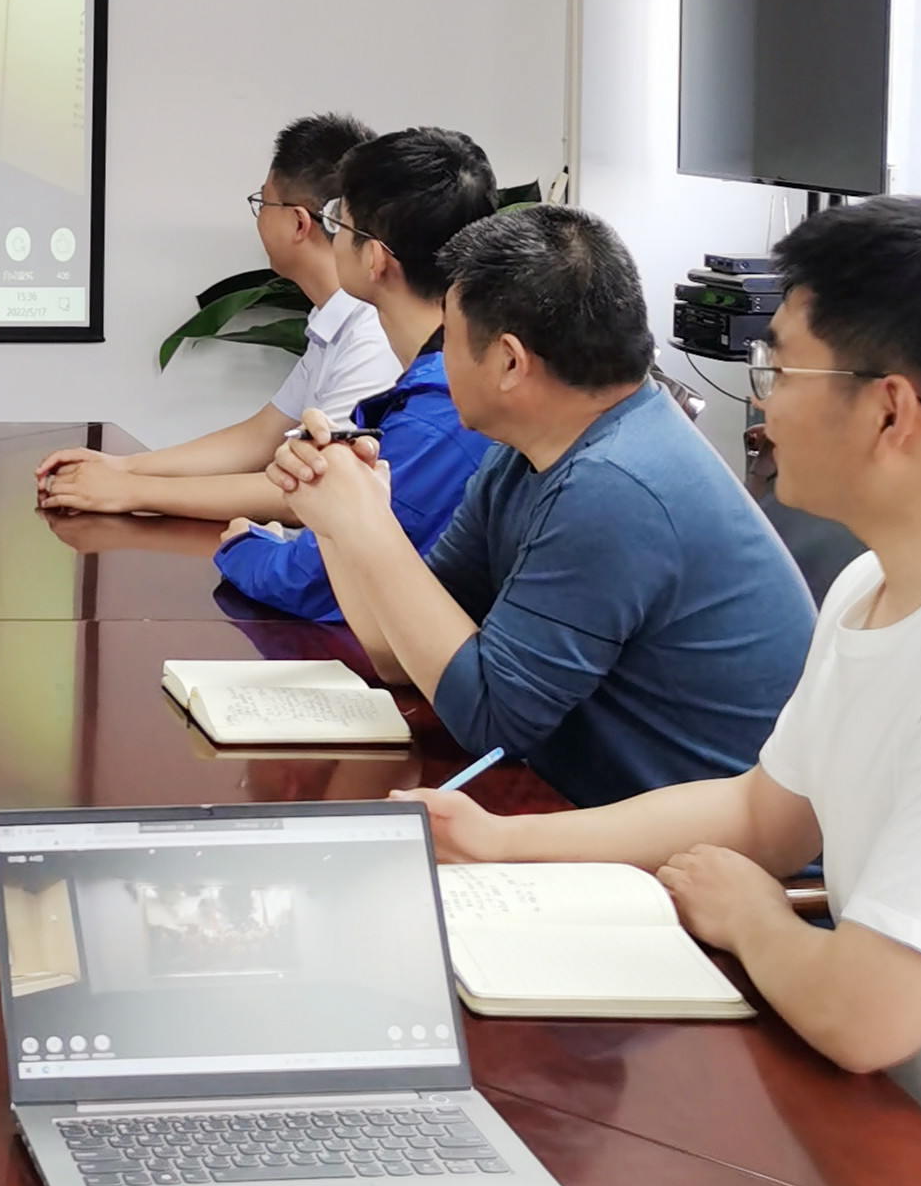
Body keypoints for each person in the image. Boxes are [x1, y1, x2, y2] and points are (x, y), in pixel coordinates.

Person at [399, 197, 921, 1186]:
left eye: (780, 368)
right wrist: (496, 841)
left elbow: (862, 1014)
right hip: (884, 1115)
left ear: (889, 411)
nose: (759, 408)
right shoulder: (876, 583)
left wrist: (751, 913)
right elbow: (763, 812)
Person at [269, 206, 811, 806]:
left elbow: (489, 720)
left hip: (696, 850)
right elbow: (404, 655)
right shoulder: (528, 452)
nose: (439, 359)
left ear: (509, 361)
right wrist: (335, 513)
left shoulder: (614, 485)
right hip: (585, 807)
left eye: (448, 338)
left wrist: (368, 522)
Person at [37, 114, 398, 522]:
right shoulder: (334, 322)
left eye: (263, 203)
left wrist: (130, 491)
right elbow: (259, 438)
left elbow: (319, 491)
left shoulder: (373, 337)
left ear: (298, 223)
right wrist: (123, 467)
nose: (259, 217)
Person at [209, 127, 501, 620]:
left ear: (374, 259)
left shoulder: (438, 413)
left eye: (339, 225)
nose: (331, 239)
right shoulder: (457, 378)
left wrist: (244, 546)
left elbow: (313, 583)